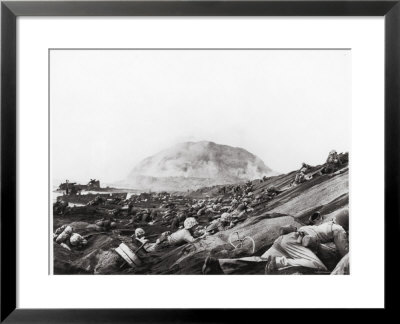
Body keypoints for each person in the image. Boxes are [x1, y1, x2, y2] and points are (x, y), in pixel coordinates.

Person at [202, 209, 349, 275]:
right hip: (296, 241)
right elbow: (344, 254)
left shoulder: (322, 225)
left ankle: (219, 265)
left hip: (284, 240)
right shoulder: (338, 228)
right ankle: (279, 263)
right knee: (319, 268)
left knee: (261, 260)